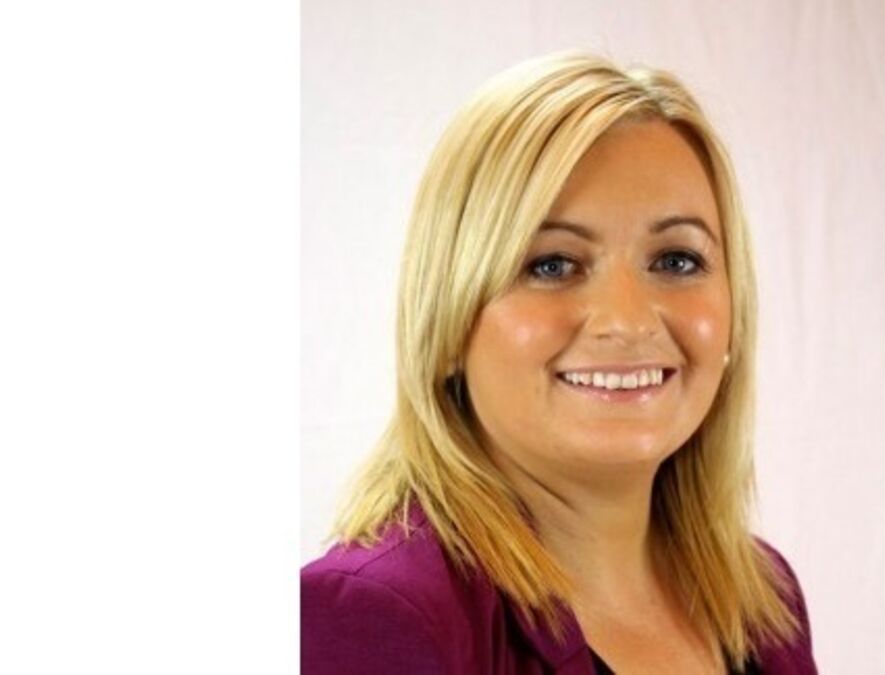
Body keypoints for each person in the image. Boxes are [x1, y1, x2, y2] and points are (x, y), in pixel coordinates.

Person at [301, 50, 819, 674]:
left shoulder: (763, 597)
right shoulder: (373, 616)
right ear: (448, 322)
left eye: (677, 260)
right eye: (551, 265)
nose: (627, 320)